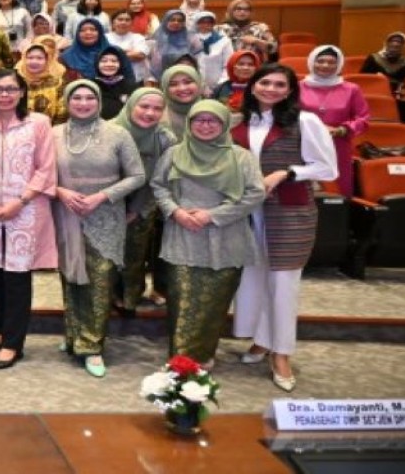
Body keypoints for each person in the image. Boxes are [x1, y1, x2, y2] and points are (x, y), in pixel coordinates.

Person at [231, 64, 338, 390]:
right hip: (249, 212)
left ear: (290, 90)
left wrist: (284, 173)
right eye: (265, 82)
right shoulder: (241, 122)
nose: (272, 89)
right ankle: (262, 340)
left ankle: (282, 352)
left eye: (280, 84)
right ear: (253, 86)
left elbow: (327, 168)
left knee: (283, 283)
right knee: (255, 278)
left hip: (290, 212)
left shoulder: (306, 121)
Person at [152, 100, 265, 365]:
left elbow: (255, 194)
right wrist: (176, 211)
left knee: (213, 306)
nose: (205, 126)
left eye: (212, 120)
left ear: (224, 123)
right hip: (183, 236)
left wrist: (212, 216)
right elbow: (158, 186)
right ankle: (179, 362)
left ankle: (202, 358)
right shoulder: (174, 154)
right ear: (189, 123)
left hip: (226, 239)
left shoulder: (241, 157)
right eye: (198, 120)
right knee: (181, 305)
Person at [52, 81, 146, 378]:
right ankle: (73, 336)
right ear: (67, 101)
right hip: (65, 214)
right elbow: (39, 174)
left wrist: (101, 197)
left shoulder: (117, 134)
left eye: (89, 97)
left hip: (105, 215)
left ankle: (92, 345)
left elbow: (137, 176)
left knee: (101, 279)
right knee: (71, 276)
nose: (83, 102)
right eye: (76, 97)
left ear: (98, 101)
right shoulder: (53, 135)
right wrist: (60, 192)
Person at [0, 70, 57, 370]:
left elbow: (45, 167)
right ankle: (1, 327)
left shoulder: (38, 123)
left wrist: (21, 201)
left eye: (11, 89)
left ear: (21, 92)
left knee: (18, 276)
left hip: (25, 209)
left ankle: (13, 343)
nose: (4, 95)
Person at [113, 88, 178, 312]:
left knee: (134, 252)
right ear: (131, 105)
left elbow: (160, 179)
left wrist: (137, 210)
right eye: (144, 106)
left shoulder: (165, 138)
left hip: (144, 201)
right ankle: (107, 297)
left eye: (157, 108)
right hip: (107, 202)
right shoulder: (110, 130)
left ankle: (130, 296)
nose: (149, 113)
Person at [298, 46, 369, 196]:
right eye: (321, 61)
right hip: (304, 143)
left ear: (339, 65)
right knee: (305, 189)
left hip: (338, 144)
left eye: (331, 62)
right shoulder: (299, 87)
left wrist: (343, 129)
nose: (325, 66)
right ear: (311, 62)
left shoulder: (351, 89)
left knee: (338, 189)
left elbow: (363, 118)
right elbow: (289, 114)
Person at [18, 40, 68, 124]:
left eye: (39, 58)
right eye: (30, 58)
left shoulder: (58, 83)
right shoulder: (15, 83)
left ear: (47, 60)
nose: (34, 62)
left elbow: (63, 113)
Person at [151, 10, 202, 80]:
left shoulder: (192, 38)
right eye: (172, 20)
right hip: (162, 78)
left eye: (180, 21)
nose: (176, 22)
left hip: (187, 77)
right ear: (166, 21)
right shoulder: (156, 39)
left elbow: (199, 60)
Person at [106, 9, 153, 85]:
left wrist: (114, 53)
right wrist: (128, 52)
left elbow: (140, 55)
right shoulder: (105, 38)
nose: (123, 22)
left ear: (131, 23)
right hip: (110, 79)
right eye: (120, 19)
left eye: (127, 20)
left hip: (135, 78)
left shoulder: (138, 37)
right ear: (113, 22)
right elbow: (101, 57)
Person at [193, 12, 234, 95]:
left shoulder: (224, 41)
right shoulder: (190, 40)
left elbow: (228, 65)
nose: (206, 24)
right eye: (202, 22)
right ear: (196, 23)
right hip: (194, 86)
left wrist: (220, 84)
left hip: (219, 86)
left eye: (209, 22)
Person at [92, 46, 137, 119]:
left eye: (114, 61)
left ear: (121, 64)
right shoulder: (90, 86)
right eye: (104, 61)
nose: (109, 64)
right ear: (97, 63)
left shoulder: (131, 86)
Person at [160, 64, 204, 137]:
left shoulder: (218, 113)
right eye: (173, 84)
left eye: (188, 82)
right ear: (165, 89)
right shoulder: (157, 119)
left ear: (198, 83)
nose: (182, 88)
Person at [360, 32, 405, 96]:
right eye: (392, 41)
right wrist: (376, 77)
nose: (395, 44)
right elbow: (363, 78)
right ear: (386, 44)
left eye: (399, 42)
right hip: (376, 90)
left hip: (398, 92)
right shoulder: (373, 58)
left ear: (402, 46)